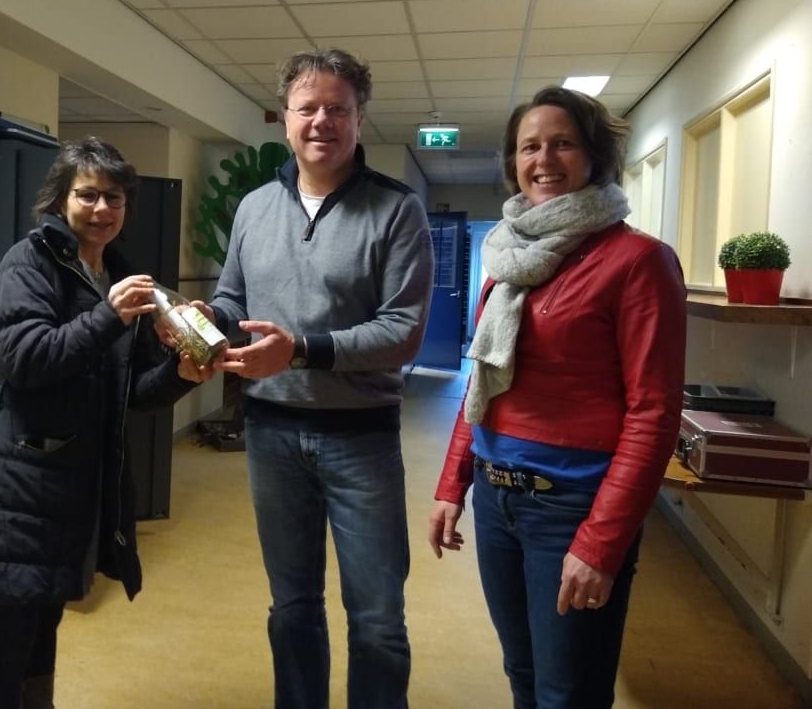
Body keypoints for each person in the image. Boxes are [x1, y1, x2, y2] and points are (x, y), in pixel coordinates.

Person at [427, 86, 686, 708]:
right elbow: (482, 383)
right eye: (529, 147)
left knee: (568, 693)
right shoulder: (508, 260)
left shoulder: (638, 261)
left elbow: (653, 414)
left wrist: (600, 542)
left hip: (571, 508)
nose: (543, 159)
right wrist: (451, 485)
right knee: (522, 672)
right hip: (496, 499)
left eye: (562, 143)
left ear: (595, 155)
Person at [0, 137, 211, 709]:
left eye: (114, 197)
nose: (101, 209)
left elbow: (130, 392)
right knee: (11, 640)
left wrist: (182, 373)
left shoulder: (119, 275)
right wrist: (108, 316)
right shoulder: (29, 263)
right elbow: (26, 360)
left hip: (71, 490)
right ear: (60, 200)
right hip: (16, 490)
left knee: (44, 629)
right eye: (87, 195)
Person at [201, 47, 434, 708]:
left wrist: (300, 350)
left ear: (359, 119)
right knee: (293, 606)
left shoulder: (396, 210)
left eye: (339, 108)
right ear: (285, 117)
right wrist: (209, 320)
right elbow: (233, 297)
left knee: (378, 618)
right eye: (308, 108)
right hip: (271, 434)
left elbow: (402, 332)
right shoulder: (253, 208)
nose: (321, 121)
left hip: (361, 439)